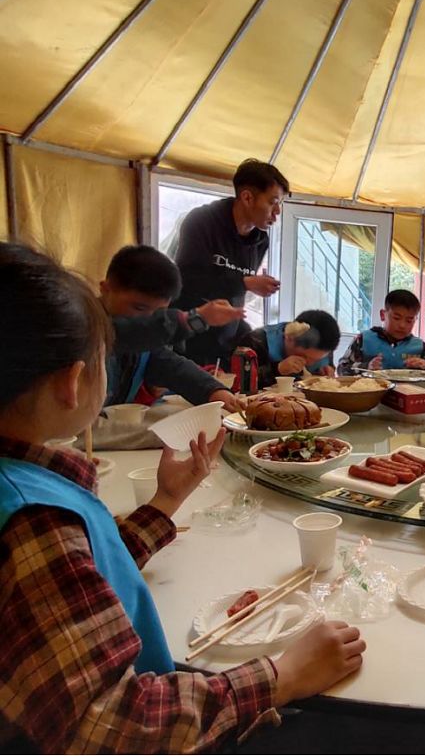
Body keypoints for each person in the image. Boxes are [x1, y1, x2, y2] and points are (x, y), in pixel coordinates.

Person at [0, 243, 367, 752]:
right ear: (74, 381)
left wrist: (162, 506)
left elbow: (72, 582)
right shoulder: (34, 518)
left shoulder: (25, 494)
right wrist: (281, 677)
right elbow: (111, 724)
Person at [172, 159, 289, 365]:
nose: (278, 212)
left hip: (225, 345)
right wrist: (246, 282)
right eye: (273, 202)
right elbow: (187, 280)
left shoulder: (260, 240)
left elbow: (234, 291)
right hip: (188, 341)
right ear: (247, 197)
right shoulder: (202, 221)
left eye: (280, 204)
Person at [100, 246, 244, 412]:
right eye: (139, 308)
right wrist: (193, 320)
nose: (149, 319)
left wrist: (214, 391)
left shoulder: (146, 344)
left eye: (159, 312)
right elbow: (125, 333)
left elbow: (170, 367)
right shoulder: (84, 327)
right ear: (106, 289)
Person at [337, 289, 425, 373]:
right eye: (396, 318)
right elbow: (342, 368)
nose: (402, 325)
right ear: (383, 315)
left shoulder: (421, 347)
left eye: (409, 320)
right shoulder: (363, 340)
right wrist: (366, 366)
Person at [242, 310, 340, 389]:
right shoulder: (256, 341)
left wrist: (327, 371)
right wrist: (277, 369)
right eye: (305, 357)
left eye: (318, 360)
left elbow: (328, 367)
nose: (309, 364)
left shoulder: (323, 344)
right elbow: (241, 382)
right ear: (289, 338)